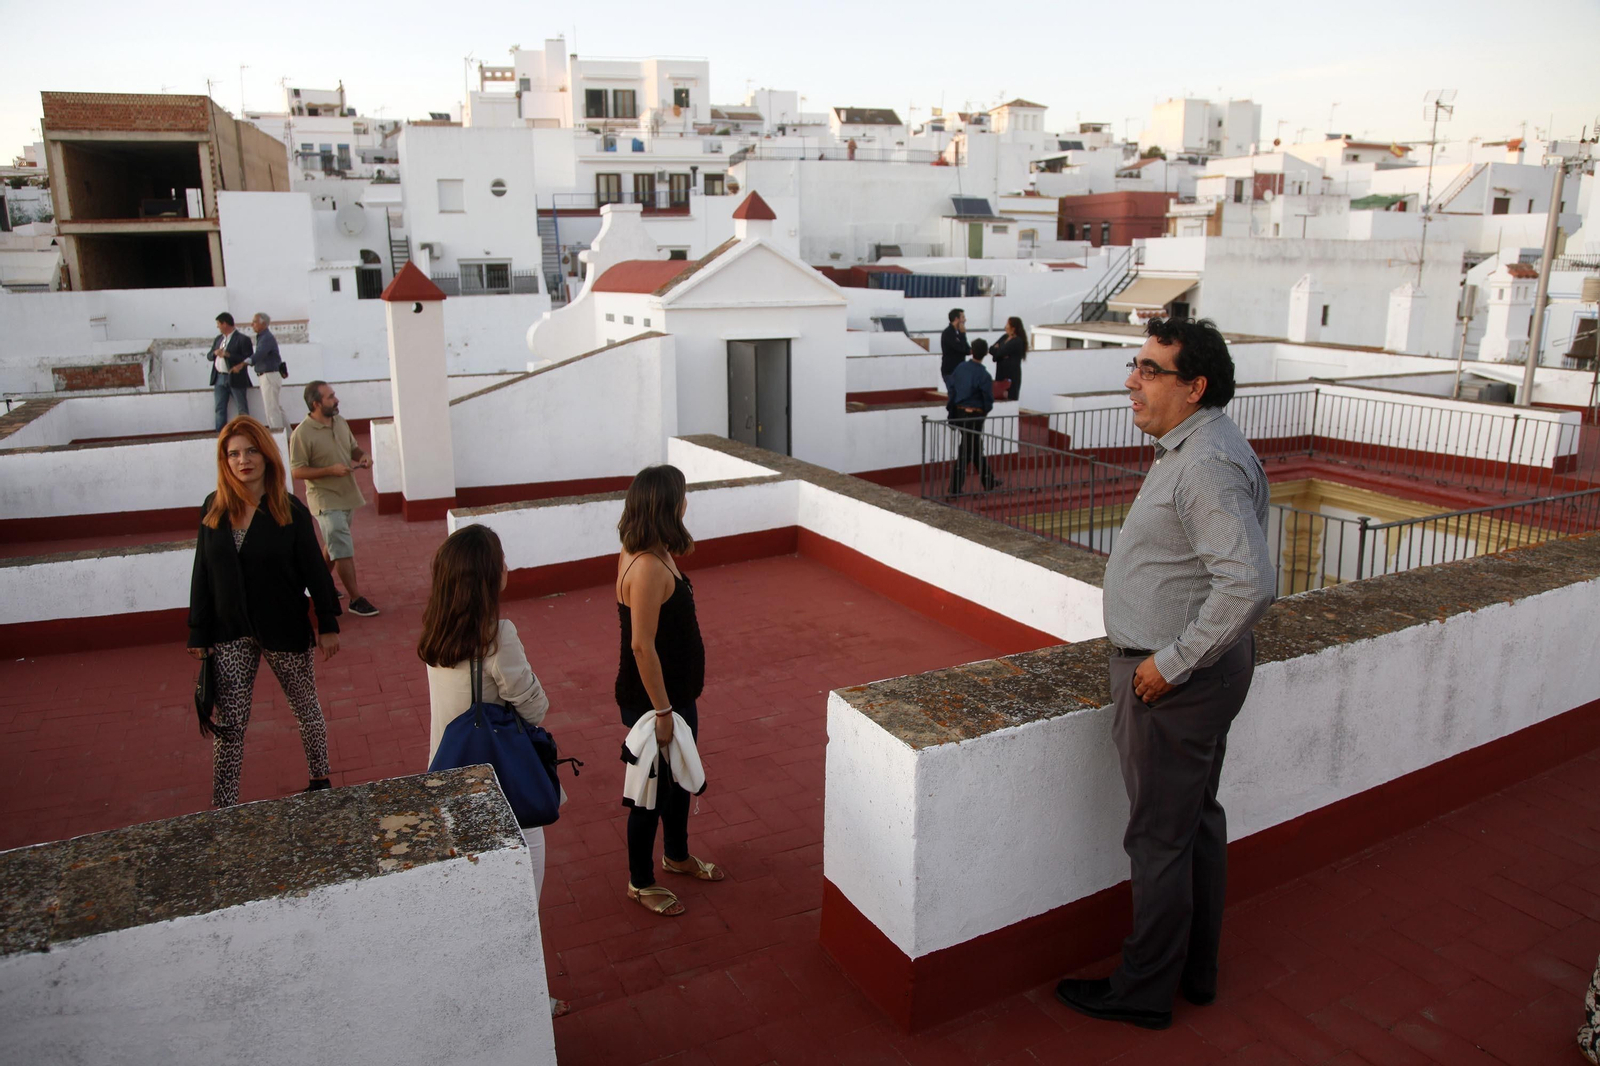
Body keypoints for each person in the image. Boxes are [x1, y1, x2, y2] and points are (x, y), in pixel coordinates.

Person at [1055, 317, 1275, 1031]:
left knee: (1158, 838)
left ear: (1194, 386)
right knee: (1193, 824)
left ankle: (1143, 990)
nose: (1132, 380)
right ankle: (1195, 970)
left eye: (1149, 370)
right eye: (1136, 365)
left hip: (1176, 683)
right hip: (1201, 675)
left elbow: (1247, 583)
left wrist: (1169, 664)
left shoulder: (1204, 462)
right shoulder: (1194, 444)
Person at [417, 524, 569, 1018]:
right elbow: (534, 706)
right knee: (522, 900)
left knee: (474, 899)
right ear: (487, 576)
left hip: (449, 776)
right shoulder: (496, 633)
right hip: (502, 785)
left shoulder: (436, 631)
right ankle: (523, 1001)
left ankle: (479, 992)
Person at [187, 415, 341, 808]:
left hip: (283, 625)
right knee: (230, 724)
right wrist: (198, 632)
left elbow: (315, 571)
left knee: (305, 705)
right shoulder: (213, 508)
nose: (244, 460)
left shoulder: (289, 510)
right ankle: (224, 806)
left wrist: (327, 623)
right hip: (229, 631)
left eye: (252, 450)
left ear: (267, 456)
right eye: (234, 453)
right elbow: (202, 572)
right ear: (225, 460)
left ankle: (320, 780)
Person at [615, 464, 724, 917]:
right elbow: (641, 646)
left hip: (675, 698)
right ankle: (640, 882)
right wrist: (661, 711)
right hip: (657, 703)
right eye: (682, 496)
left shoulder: (653, 550)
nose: (686, 503)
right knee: (651, 794)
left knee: (678, 781)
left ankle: (676, 854)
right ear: (667, 505)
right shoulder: (643, 567)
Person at [289, 381, 380, 617]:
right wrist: (330, 470)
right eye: (330, 397)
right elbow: (297, 471)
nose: (336, 400)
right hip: (325, 500)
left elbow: (353, 449)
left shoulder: (339, 421)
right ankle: (356, 599)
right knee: (342, 547)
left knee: (333, 546)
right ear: (316, 403)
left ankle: (316, 585)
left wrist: (364, 456)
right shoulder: (301, 433)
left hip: (347, 495)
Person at [946, 338, 1000, 493]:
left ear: (972, 351)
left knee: (973, 448)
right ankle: (955, 488)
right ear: (985, 354)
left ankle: (988, 481)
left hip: (960, 413)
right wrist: (983, 412)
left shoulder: (961, 368)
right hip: (974, 416)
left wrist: (953, 409)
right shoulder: (983, 375)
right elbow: (988, 399)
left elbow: (952, 388)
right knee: (967, 451)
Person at [209, 312, 252, 431]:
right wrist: (215, 353)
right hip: (219, 377)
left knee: (241, 407)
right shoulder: (218, 339)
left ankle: (246, 431)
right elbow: (209, 355)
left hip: (235, 377)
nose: (217, 327)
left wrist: (228, 354)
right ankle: (220, 434)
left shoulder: (243, 339)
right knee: (219, 408)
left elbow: (247, 358)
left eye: (218, 324)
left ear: (225, 324)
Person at [250, 313, 286, 431]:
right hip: (270, 374)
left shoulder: (266, 338)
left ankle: (278, 436)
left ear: (263, 323)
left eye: (255, 322)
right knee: (276, 408)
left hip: (269, 375)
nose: (252, 324)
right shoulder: (264, 337)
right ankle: (289, 435)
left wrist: (245, 362)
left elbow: (259, 354)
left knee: (271, 409)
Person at [991, 316, 1028, 404]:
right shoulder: (1004, 337)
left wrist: (998, 352)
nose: (1005, 326)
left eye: (1007, 324)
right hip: (1000, 373)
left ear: (1013, 328)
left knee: (1009, 396)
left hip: (1011, 374)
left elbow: (999, 353)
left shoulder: (1017, 341)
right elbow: (992, 349)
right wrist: (999, 353)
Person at [940, 308, 970, 391]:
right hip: (951, 371)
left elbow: (967, 349)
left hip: (959, 370)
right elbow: (961, 349)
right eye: (963, 317)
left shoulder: (958, 333)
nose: (965, 320)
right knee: (955, 396)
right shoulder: (948, 333)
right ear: (957, 319)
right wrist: (963, 334)